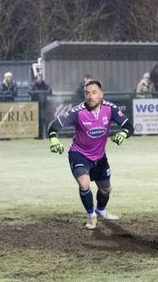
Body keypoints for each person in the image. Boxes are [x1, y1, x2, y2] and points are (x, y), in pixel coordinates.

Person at [46, 79, 134, 229]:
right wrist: (54, 140)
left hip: (100, 158)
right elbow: (53, 126)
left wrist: (124, 134)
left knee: (106, 189)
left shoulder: (110, 109)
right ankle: (91, 215)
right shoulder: (77, 112)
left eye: (94, 93)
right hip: (79, 154)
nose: (90, 96)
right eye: (87, 93)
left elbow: (129, 126)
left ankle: (100, 211)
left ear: (101, 94)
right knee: (84, 183)